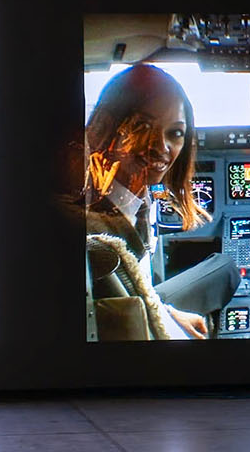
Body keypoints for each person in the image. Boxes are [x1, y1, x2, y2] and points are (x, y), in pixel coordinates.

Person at [77, 64, 212, 340]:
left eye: (175, 133)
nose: (161, 147)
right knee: (224, 269)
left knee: (223, 268)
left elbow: (141, 286)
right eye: (143, 127)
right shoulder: (93, 228)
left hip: (146, 299)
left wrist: (169, 312)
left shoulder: (135, 194)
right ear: (108, 128)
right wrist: (166, 318)